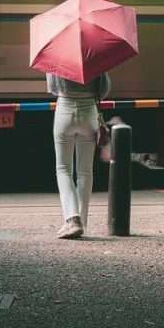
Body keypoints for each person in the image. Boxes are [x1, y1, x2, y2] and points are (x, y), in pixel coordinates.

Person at [46, 70, 111, 239]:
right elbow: (104, 89)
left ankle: (72, 219)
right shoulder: (95, 56)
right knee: (85, 172)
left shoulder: (57, 55)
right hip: (89, 111)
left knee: (63, 169)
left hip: (65, 109)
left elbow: (52, 87)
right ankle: (81, 221)